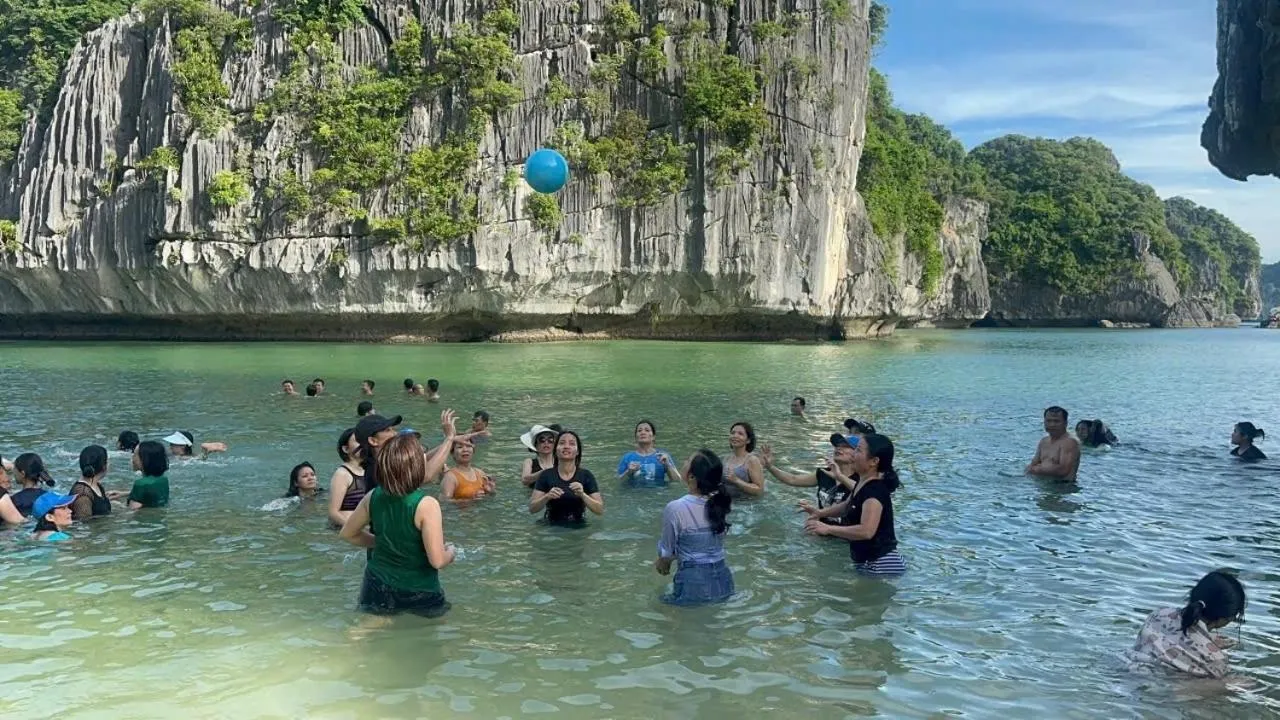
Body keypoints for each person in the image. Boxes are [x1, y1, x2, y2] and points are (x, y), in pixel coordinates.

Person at [339, 416, 458, 617]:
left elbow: (348, 534)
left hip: (376, 583)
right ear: (417, 466)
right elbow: (437, 560)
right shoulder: (427, 504)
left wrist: (382, 542)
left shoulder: (372, 495)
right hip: (418, 587)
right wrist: (451, 551)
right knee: (432, 632)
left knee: (372, 624)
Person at [803, 433, 905, 576]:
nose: (853, 455)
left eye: (858, 450)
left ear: (874, 461)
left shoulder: (874, 491)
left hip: (881, 565)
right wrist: (820, 513)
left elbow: (866, 531)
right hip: (869, 562)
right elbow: (846, 505)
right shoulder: (863, 482)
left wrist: (828, 529)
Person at [1129, 570, 1246, 679]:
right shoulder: (1215, 659)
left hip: (1128, 667)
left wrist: (1208, 642)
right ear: (1225, 618)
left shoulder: (1160, 614)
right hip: (1157, 684)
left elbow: (1177, 637)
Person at [655, 449, 735, 605]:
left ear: (692, 476)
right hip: (724, 579)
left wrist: (663, 563)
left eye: (687, 460)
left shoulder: (676, 507)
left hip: (693, 581)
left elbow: (666, 552)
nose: (684, 462)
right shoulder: (719, 503)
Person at [761, 432, 860, 522]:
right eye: (837, 445)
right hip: (821, 527)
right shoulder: (824, 473)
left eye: (845, 446)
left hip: (846, 531)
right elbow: (793, 479)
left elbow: (863, 492)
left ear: (858, 454)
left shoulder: (861, 478)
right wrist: (770, 467)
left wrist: (840, 477)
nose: (838, 448)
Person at [529, 430, 604, 526]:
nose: (566, 446)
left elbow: (599, 510)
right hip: (551, 526)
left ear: (577, 451)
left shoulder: (586, 475)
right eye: (562, 443)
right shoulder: (546, 475)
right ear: (555, 450)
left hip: (580, 526)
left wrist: (583, 495)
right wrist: (547, 496)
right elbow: (532, 509)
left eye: (572, 443)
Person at [617, 420, 679, 488]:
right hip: (634, 493)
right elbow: (620, 482)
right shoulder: (627, 457)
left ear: (653, 437)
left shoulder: (663, 456)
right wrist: (629, 472)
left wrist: (667, 464)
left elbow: (677, 480)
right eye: (639, 431)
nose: (643, 432)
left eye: (647, 430)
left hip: (658, 492)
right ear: (636, 438)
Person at [1026, 406, 1079, 482]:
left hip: (1062, 486)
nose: (1052, 424)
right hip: (1043, 485)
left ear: (1065, 423)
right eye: (1048, 421)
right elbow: (1033, 464)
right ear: (1044, 422)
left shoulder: (1069, 442)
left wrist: (1037, 469)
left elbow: (1063, 470)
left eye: (1056, 421)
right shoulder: (1044, 441)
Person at [327, 428, 368, 527]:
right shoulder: (342, 474)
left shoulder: (370, 470)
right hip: (348, 531)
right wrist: (356, 530)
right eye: (358, 440)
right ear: (346, 449)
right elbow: (333, 513)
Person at [0, 453, 54, 522]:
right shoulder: (49, 495)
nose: (14, 473)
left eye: (15, 470)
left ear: (22, 474)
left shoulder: (14, 500)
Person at [70, 445, 121, 519]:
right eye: (108, 461)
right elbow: (84, 523)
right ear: (104, 466)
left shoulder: (96, 485)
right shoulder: (83, 494)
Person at [723, 422, 765, 497]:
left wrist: (736, 480)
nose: (735, 436)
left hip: (745, 503)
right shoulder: (726, 458)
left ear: (748, 440)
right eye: (733, 433)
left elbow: (759, 490)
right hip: (726, 501)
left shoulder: (752, 460)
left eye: (740, 434)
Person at [127, 440, 170, 509]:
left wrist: (116, 504)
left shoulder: (140, 484)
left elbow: (133, 510)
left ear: (144, 460)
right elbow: (150, 494)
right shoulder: (163, 479)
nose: (132, 459)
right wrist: (123, 494)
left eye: (134, 455)